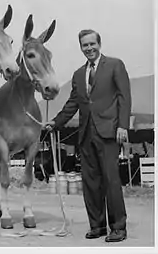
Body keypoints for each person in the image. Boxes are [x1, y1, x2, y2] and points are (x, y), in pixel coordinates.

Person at [46, 29, 131, 242]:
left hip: (109, 132)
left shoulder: (115, 65)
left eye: (92, 44)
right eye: (85, 45)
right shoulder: (77, 74)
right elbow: (72, 104)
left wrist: (123, 126)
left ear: (99, 44)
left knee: (111, 180)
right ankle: (97, 226)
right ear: (81, 48)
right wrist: (55, 122)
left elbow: (124, 97)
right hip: (85, 135)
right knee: (91, 183)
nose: (89, 48)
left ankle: (118, 228)